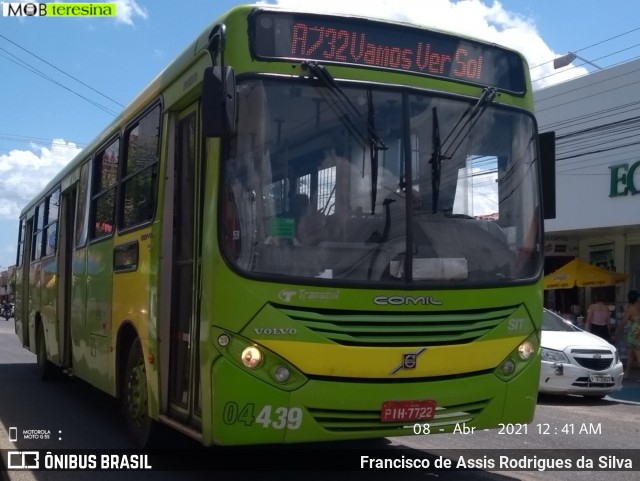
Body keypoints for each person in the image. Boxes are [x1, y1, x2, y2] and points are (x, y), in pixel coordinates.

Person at [614, 290, 640, 380]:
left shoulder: (630, 309)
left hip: (633, 333)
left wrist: (616, 333)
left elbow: (623, 322)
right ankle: (626, 374)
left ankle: (626, 374)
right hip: (638, 331)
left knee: (636, 354)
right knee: (631, 355)